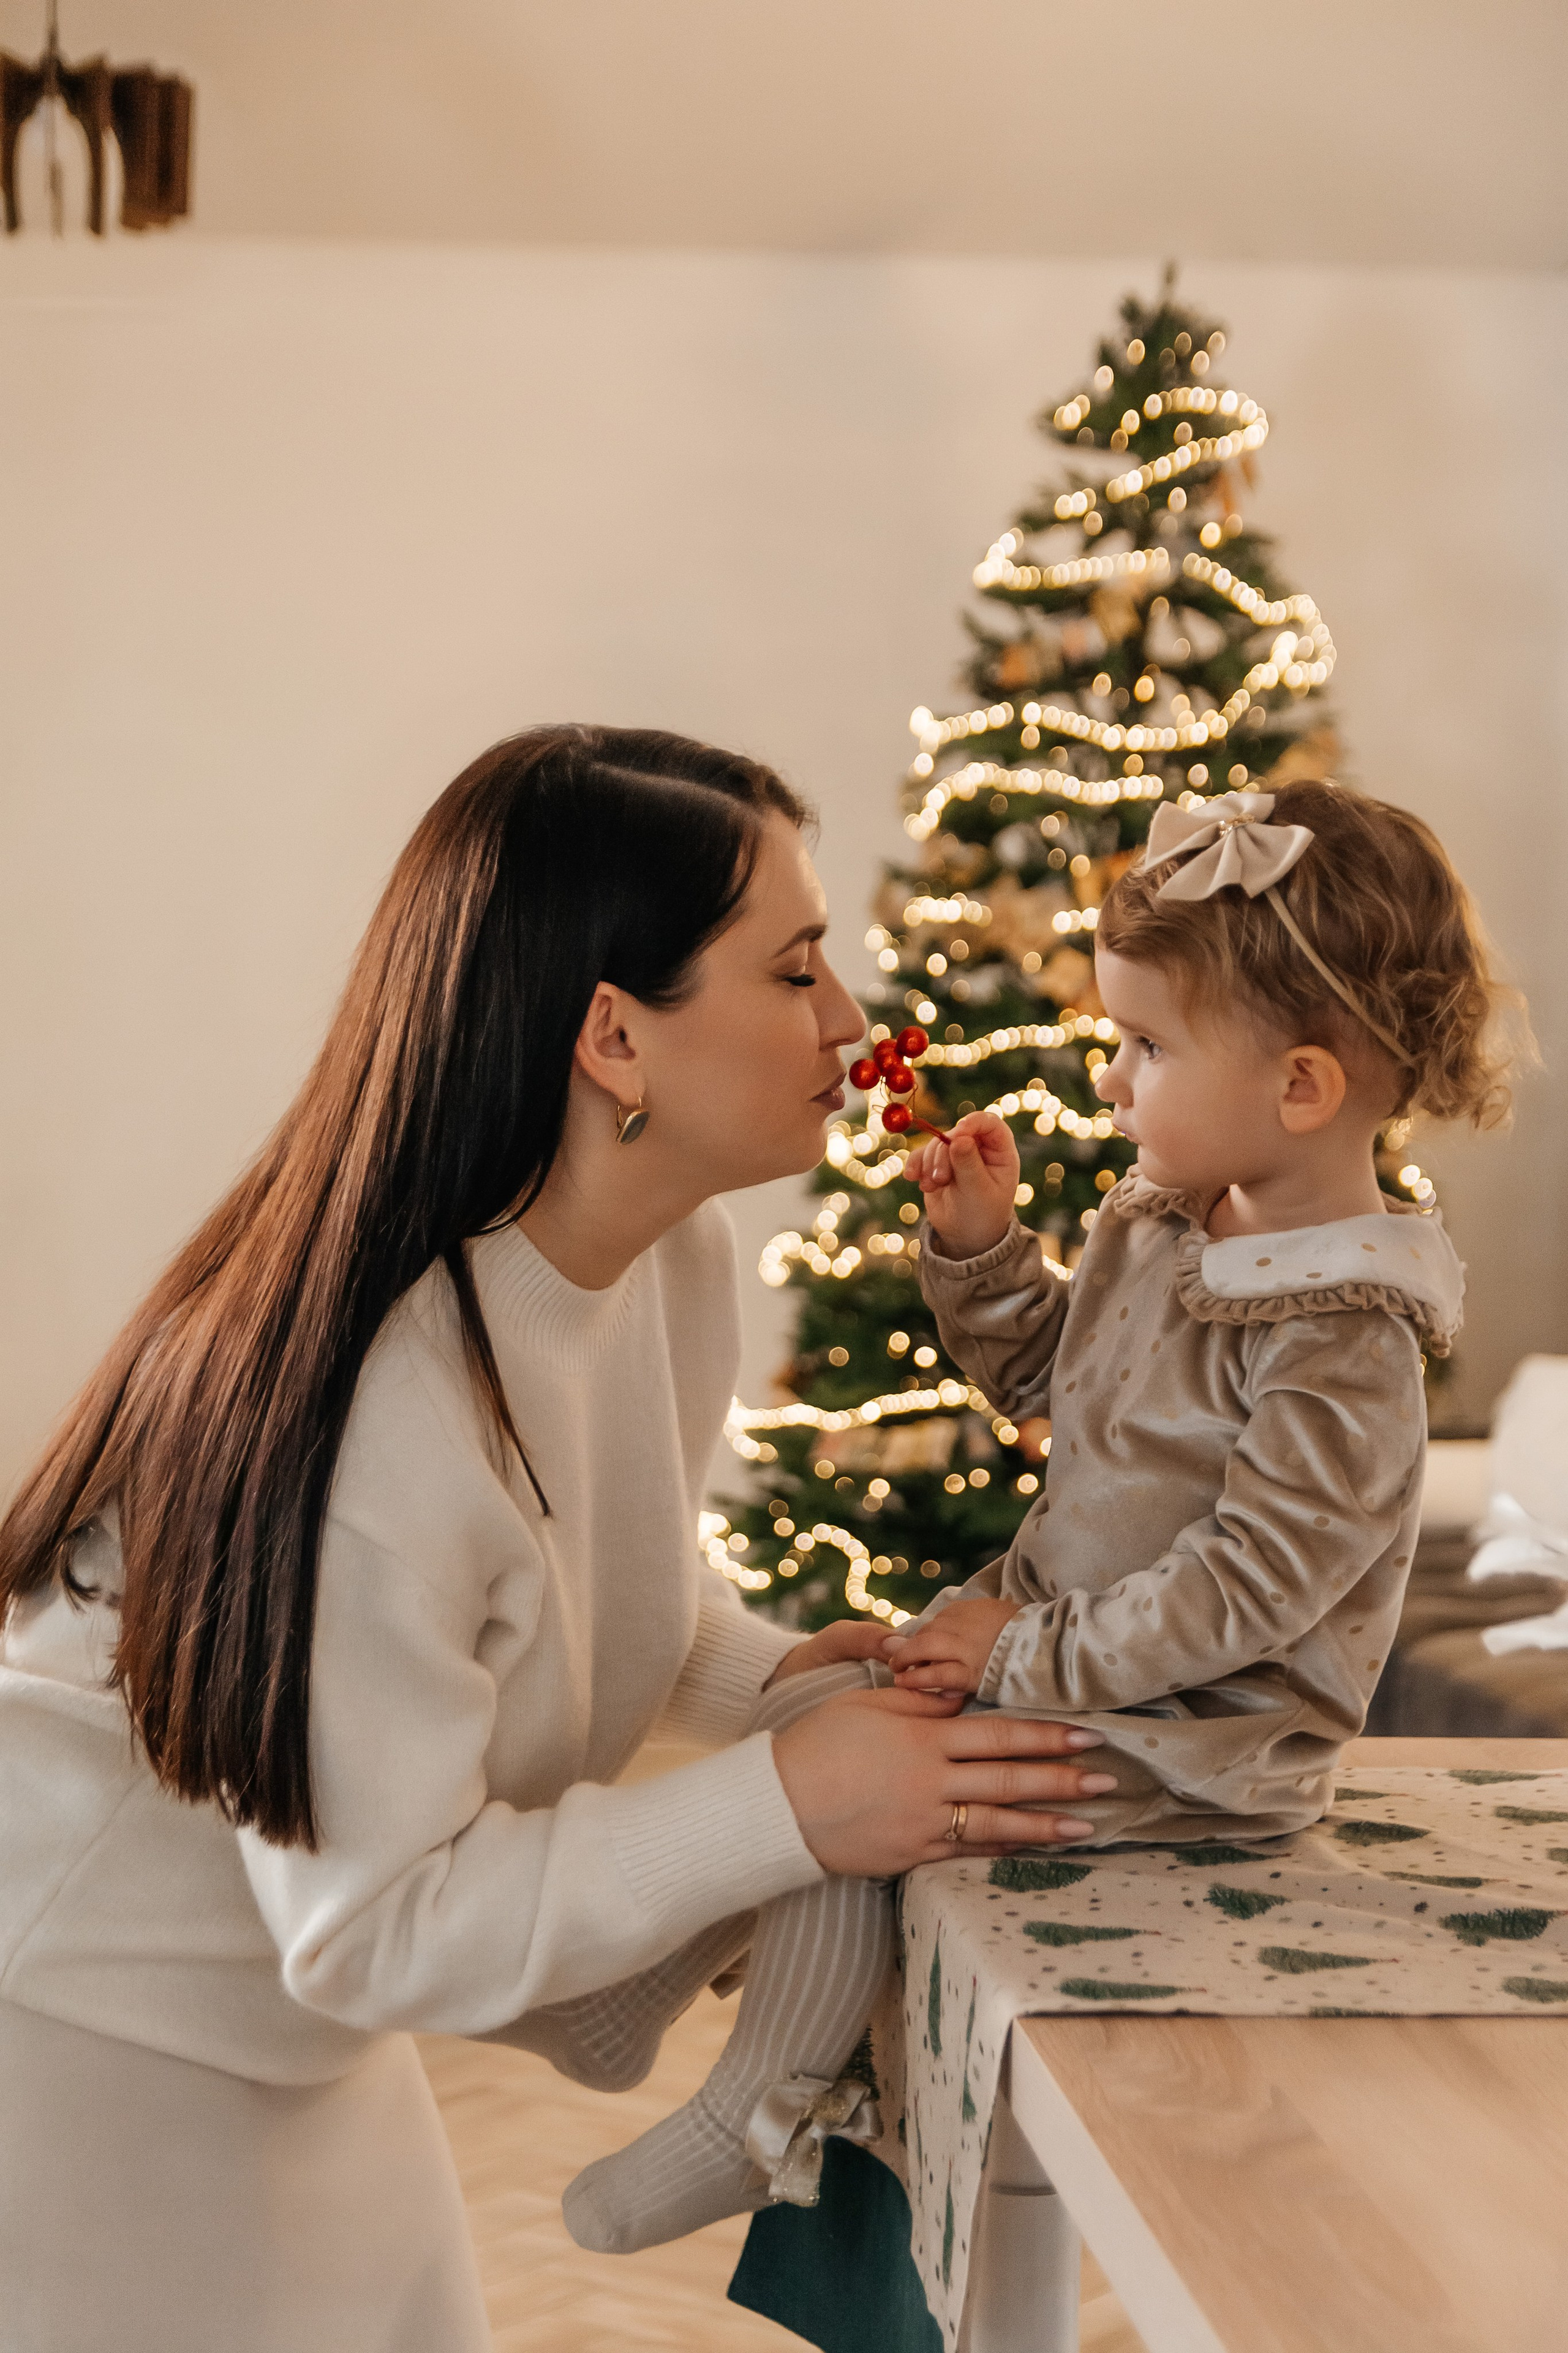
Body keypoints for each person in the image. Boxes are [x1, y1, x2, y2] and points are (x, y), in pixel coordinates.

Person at [0, 725, 1114, 2353]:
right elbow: (372, 1925)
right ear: (613, 1035)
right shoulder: (384, 1405)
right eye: (796, 970)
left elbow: (585, 1583)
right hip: (87, 2022)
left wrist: (774, 1679)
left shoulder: (669, 1271)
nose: (852, 1022)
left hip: (297, 2018)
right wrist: (783, 1805)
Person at [568, 777, 1519, 2255]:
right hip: (1071, 1659)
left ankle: (757, 2111)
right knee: (826, 1698)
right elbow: (1060, 1387)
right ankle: (637, 1991)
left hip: (1194, 1731)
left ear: (1302, 1087)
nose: (1112, 1080)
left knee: (866, 1776)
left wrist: (1014, 1656)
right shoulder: (1164, 1213)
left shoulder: (1345, 1332)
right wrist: (979, 1252)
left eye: (1144, 1047)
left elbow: (1246, 1596)